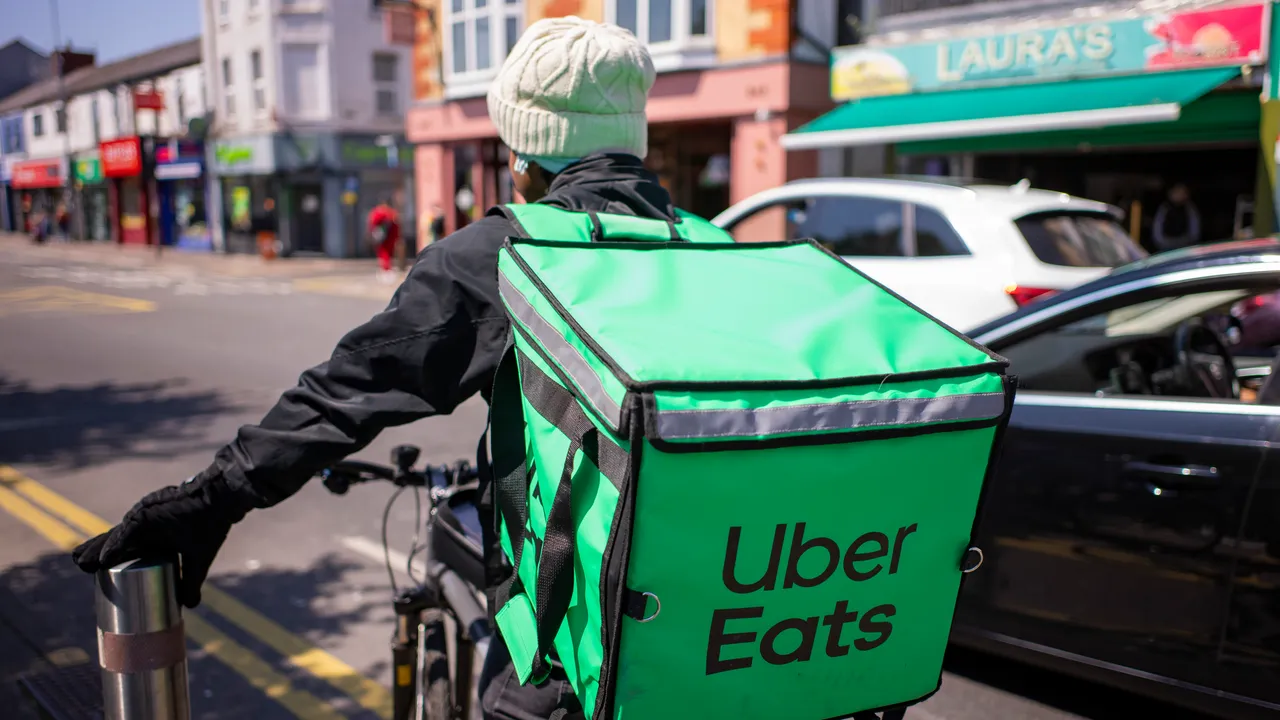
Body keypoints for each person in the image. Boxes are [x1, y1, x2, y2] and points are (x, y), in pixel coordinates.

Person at [73, 16, 664, 720]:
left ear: (523, 153)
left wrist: (212, 499)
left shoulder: (508, 255)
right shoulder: (717, 250)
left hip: (570, 676)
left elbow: (350, 392)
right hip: (716, 651)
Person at [1153, 183, 1202, 251]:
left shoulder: (1189, 208)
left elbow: (1194, 226)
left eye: (1182, 192)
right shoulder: (1165, 208)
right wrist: (1161, 242)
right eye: (1177, 192)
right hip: (1166, 244)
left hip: (1185, 244)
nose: (1179, 195)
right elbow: (1157, 226)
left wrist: (1191, 241)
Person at [367, 196, 401, 281]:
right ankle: (387, 270)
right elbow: (396, 225)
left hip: (382, 237)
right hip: (389, 237)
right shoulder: (391, 213)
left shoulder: (378, 212)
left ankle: (386, 270)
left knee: (384, 254)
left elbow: (372, 223)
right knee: (387, 253)